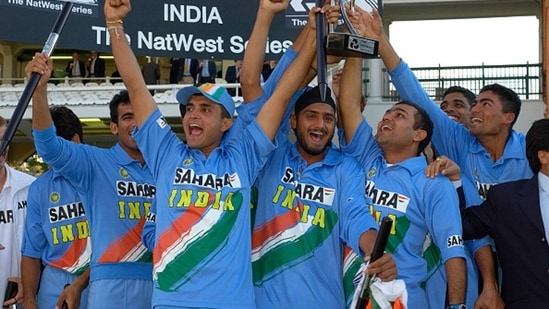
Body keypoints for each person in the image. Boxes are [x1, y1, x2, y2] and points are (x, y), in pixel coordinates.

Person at [104, 0, 322, 307]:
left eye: (205, 109)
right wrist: (115, 25)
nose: (193, 114)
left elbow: (283, 93)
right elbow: (136, 87)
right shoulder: (167, 152)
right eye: (190, 107)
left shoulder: (243, 156)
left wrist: (313, 34)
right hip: (171, 303)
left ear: (226, 123)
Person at [360, 7, 529, 308]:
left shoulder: (530, 153)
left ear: (508, 118)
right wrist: (380, 41)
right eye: (474, 103)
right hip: (475, 259)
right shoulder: (457, 140)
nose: (474, 110)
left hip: (525, 264)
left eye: (485, 104)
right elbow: (415, 93)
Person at [336, 6, 467, 308]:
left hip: (402, 299)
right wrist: (357, 42)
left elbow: (453, 251)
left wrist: (458, 306)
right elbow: (348, 108)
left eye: (399, 115)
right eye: (387, 112)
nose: (388, 116)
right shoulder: (368, 155)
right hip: (349, 294)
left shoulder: (434, 182)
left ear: (419, 135)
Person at [27, 53, 156, 309]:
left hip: (159, 282)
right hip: (109, 285)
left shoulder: (166, 165)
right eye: (127, 117)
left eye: (140, 115)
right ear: (114, 127)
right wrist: (39, 91)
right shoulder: (96, 163)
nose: (135, 123)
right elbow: (49, 147)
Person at [21, 106, 90, 309]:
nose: (46, 156)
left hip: (97, 280)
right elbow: (31, 251)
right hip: (53, 283)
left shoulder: (102, 175)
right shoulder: (39, 188)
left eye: (52, 148)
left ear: (75, 141)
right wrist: (30, 299)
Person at [0, 116, 35, 309]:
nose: (2, 147)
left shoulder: (29, 186)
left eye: (5, 140)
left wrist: (29, 285)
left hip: (18, 297)